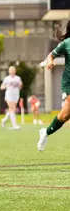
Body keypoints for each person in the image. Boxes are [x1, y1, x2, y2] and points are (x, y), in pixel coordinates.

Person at [38, 21, 70, 151]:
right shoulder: (66, 43)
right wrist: (50, 62)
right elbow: (51, 55)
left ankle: (45, 132)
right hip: (69, 82)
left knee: (65, 116)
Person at [0, 66, 23, 130]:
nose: (12, 71)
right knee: (12, 109)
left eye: (13, 70)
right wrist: (6, 86)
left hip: (15, 95)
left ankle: (4, 120)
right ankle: (14, 125)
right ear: (9, 71)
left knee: (12, 109)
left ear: (15, 71)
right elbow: (1, 87)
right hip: (9, 95)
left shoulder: (18, 78)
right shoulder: (7, 78)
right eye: (11, 70)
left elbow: (20, 86)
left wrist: (20, 85)